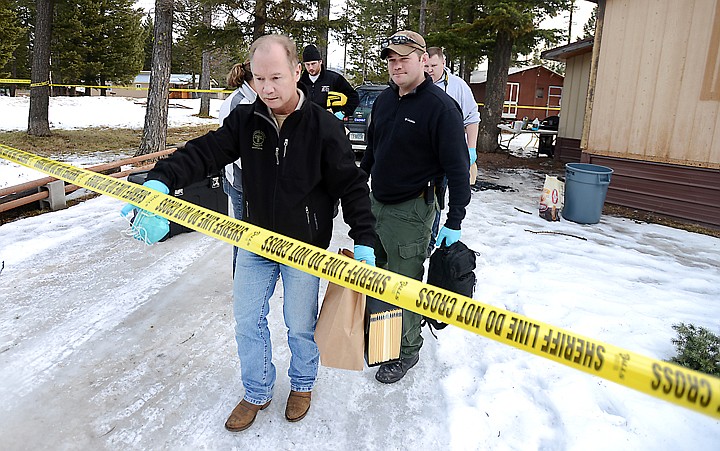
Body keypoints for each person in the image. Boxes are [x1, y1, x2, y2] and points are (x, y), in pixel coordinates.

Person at [121, 34, 377, 431]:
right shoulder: (246, 119)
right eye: (259, 78)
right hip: (255, 240)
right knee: (246, 320)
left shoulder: (325, 127)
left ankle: (303, 384)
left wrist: (364, 239)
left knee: (299, 324)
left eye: (276, 77)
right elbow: (204, 152)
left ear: (296, 73)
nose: (267, 88)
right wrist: (160, 180)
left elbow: (352, 185)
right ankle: (256, 391)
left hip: (304, 248)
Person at [360, 30, 471, 384]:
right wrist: (355, 185)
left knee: (402, 283)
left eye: (404, 58)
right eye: (391, 60)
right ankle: (384, 343)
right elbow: (372, 153)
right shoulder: (385, 100)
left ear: (423, 60)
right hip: (378, 203)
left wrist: (454, 220)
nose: (396, 66)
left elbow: (458, 170)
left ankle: (407, 350)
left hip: (413, 210)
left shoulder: (440, 108)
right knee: (377, 280)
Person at [424, 46, 480, 254]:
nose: (429, 70)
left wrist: (471, 149)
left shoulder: (458, 86)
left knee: (439, 196)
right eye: (426, 65)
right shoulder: (418, 85)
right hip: (423, 154)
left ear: (444, 63)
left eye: (433, 66)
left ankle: (430, 241)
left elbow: (472, 118)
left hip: (448, 154)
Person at [219, 62, 257, 274]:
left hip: (258, 182)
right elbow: (232, 149)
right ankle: (240, 276)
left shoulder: (256, 99)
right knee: (243, 234)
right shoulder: (236, 103)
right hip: (241, 182)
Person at [299, 44, 359, 120]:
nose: (310, 67)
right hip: (307, 124)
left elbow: (354, 97)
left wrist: (343, 112)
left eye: (313, 64)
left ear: (320, 62)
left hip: (328, 124)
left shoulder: (334, 79)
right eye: (307, 64)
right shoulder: (301, 83)